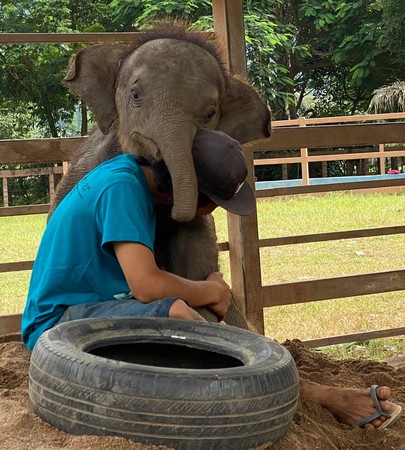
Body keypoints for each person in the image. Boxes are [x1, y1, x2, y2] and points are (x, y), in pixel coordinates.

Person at [21, 129, 401, 430]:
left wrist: (205, 292)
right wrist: (210, 290)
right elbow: (146, 286)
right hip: (56, 327)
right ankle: (314, 396)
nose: (213, 213)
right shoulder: (122, 190)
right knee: (178, 315)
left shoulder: (128, 175)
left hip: (90, 309)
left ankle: (298, 388)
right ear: (193, 196)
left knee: (186, 313)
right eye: (216, 204)